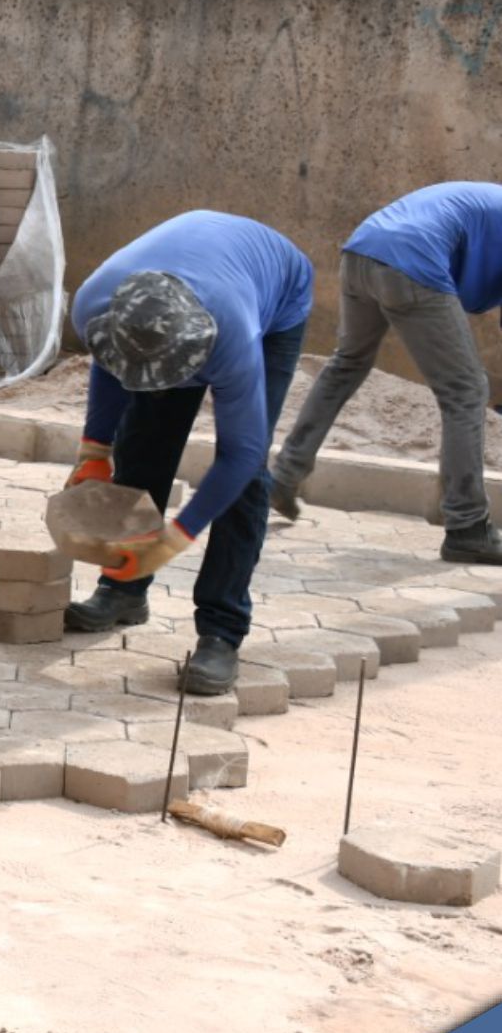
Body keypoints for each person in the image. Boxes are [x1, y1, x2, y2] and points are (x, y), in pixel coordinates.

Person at [61, 211, 314, 696]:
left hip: (275, 295)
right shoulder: (94, 301)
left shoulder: (233, 339)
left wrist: (173, 538)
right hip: (194, 279)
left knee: (247, 479)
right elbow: (108, 360)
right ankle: (122, 591)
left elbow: (239, 457)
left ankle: (222, 629)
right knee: (143, 438)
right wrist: (94, 450)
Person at [270, 182, 502, 566]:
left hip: (361, 250)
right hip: (412, 261)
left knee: (347, 364)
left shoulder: (486, 201)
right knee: (465, 390)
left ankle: (284, 475)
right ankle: (468, 527)